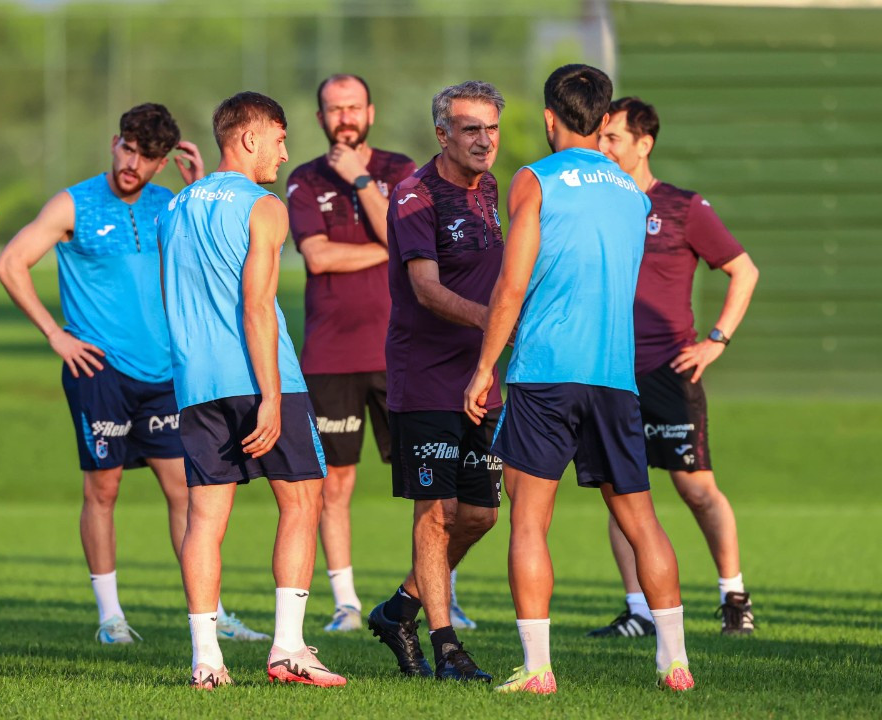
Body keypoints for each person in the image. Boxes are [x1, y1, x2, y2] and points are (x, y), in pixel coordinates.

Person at [0, 103, 268, 644]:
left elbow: (219, 255)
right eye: (128, 149)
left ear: (163, 162)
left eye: (147, 157)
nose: (132, 164)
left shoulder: (172, 204)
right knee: (104, 489)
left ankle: (213, 615)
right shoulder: (73, 202)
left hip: (165, 374)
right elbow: (10, 262)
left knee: (186, 493)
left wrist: (195, 187)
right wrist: (56, 334)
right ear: (115, 141)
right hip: (100, 371)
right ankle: (110, 617)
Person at [465, 64, 694, 693]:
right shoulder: (632, 193)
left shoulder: (533, 179)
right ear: (604, 118)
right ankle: (675, 662)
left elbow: (512, 286)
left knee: (530, 523)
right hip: (616, 378)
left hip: (545, 373)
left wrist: (484, 368)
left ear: (548, 117)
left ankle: (538, 669)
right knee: (642, 519)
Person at [159, 91, 345, 690]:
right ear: (248, 139)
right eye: (280, 138)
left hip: (194, 382)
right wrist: (270, 394)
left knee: (205, 518)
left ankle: (206, 660)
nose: (286, 152)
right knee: (303, 502)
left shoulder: (177, 206)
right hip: (263, 378)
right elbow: (257, 306)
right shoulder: (264, 206)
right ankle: (288, 648)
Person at [592, 96, 760, 637]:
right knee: (623, 489)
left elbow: (744, 270)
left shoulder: (683, 207)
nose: (604, 146)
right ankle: (639, 610)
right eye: (600, 136)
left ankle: (734, 598)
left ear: (645, 144)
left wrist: (716, 340)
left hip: (669, 372)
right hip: (611, 373)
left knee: (695, 487)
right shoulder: (597, 205)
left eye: (614, 137)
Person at [363, 82, 504, 682]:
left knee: (479, 515)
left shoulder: (493, 189)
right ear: (442, 134)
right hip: (426, 378)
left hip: (483, 379)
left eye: (491, 128)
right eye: (470, 128)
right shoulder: (415, 195)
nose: (484, 140)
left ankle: (401, 608)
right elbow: (425, 289)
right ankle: (447, 647)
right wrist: (496, 322)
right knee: (435, 511)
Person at [285, 74, 417, 633]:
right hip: (331, 356)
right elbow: (317, 257)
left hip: (403, 353)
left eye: (353, 107)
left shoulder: (400, 169)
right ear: (319, 118)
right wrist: (383, 249)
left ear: (371, 111)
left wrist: (361, 180)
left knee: (425, 479)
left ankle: (436, 594)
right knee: (334, 484)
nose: (344, 117)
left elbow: (406, 236)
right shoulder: (301, 178)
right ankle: (346, 602)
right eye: (333, 108)